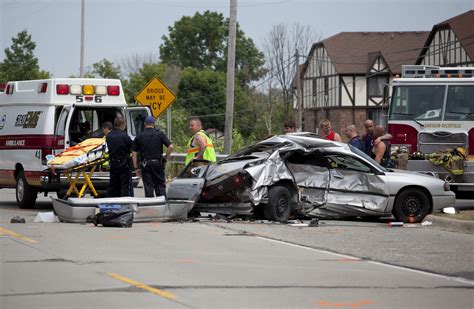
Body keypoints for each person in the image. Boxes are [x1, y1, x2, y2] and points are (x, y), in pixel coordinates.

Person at [132, 116, 173, 198]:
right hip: (157, 163)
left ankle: (150, 206)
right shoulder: (160, 134)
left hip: (145, 164)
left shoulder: (139, 136)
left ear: (144, 124)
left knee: (148, 186)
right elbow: (171, 147)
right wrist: (165, 158)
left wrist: (136, 168)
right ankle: (162, 204)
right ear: (154, 124)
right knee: (160, 185)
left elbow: (134, 153)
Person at [105, 117, 133, 197]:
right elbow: (131, 147)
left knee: (112, 185)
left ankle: (109, 201)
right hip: (123, 164)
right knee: (125, 185)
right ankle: (125, 203)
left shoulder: (109, 136)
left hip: (113, 163)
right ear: (121, 125)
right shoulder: (124, 136)